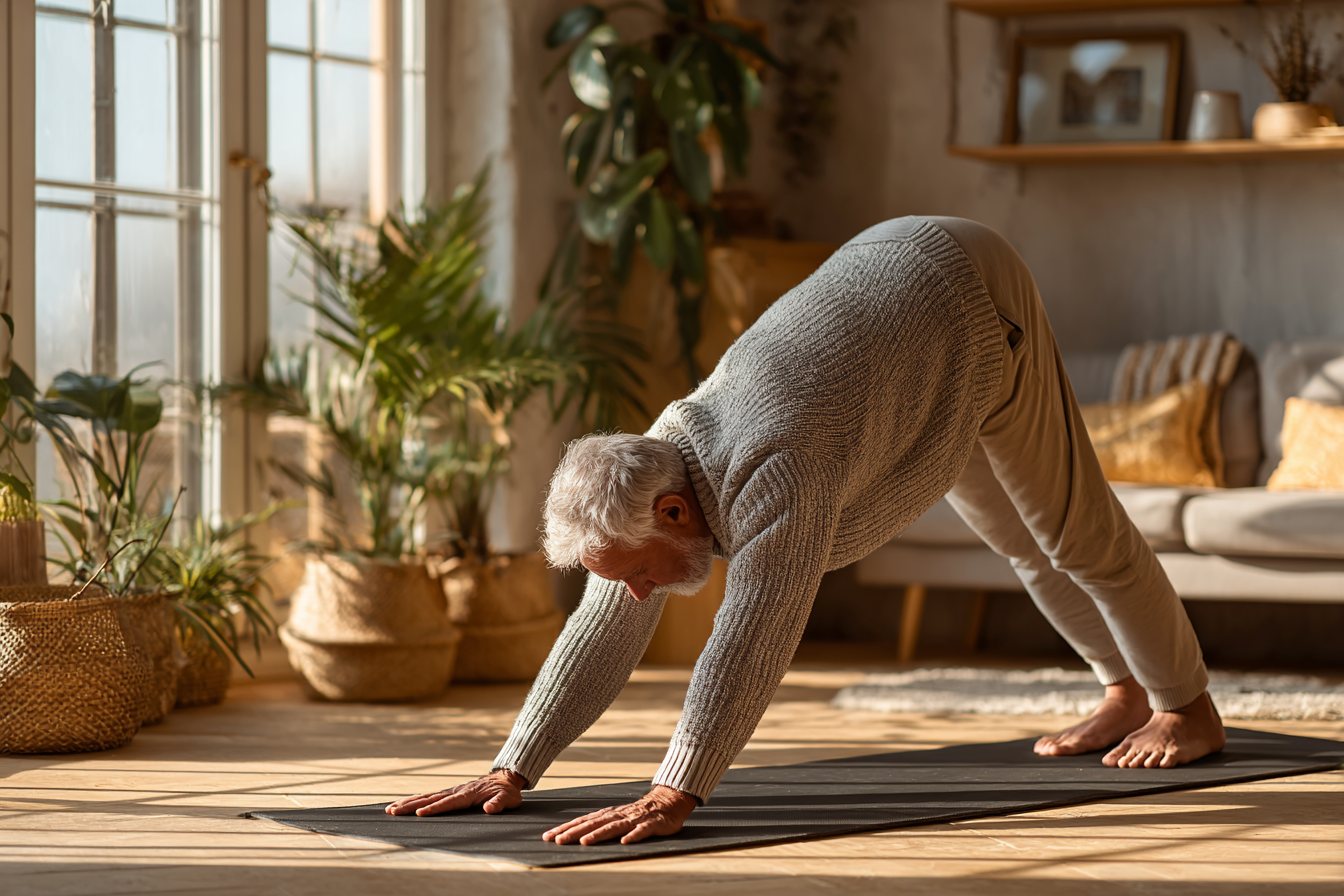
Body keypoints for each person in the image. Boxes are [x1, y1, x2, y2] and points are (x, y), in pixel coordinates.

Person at [386, 216, 1226, 845]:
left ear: (675, 512)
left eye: (636, 571)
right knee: (1018, 543)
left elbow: (749, 640)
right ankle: (1124, 692)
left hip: (968, 292)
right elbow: (606, 621)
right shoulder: (652, 458)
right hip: (902, 345)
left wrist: (676, 789)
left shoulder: (772, 468)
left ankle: (1185, 708)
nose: (635, 590)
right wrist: (515, 765)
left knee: (1073, 533)